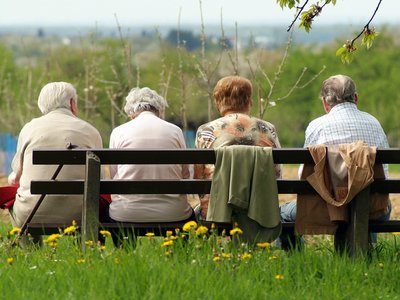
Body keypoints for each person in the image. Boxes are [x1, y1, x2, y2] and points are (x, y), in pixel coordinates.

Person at [280, 74, 391, 247]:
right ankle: (367, 253)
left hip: (326, 209)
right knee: (367, 198)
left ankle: (295, 260)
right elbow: (384, 173)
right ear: (355, 98)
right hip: (372, 209)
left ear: (325, 102)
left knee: (283, 214)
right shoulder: (374, 123)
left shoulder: (317, 126)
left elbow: (304, 174)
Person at [8, 82, 103, 244]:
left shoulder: (30, 128)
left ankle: (32, 254)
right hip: (82, 213)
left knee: (15, 202)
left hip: (33, 212)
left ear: (42, 105)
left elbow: (16, 178)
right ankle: (86, 251)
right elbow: (98, 179)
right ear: (72, 103)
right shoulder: (90, 130)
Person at [194, 75, 281, 220]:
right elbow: (277, 172)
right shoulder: (267, 129)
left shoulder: (206, 130)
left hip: (218, 210)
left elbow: (199, 177)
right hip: (261, 208)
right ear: (249, 101)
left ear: (218, 101)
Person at [108, 87, 194, 233]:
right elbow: (185, 174)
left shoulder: (119, 132)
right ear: (159, 111)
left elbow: (113, 176)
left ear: (131, 113)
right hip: (173, 213)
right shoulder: (175, 131)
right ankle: (176, 253)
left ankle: (127, 253)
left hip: (127, 213)